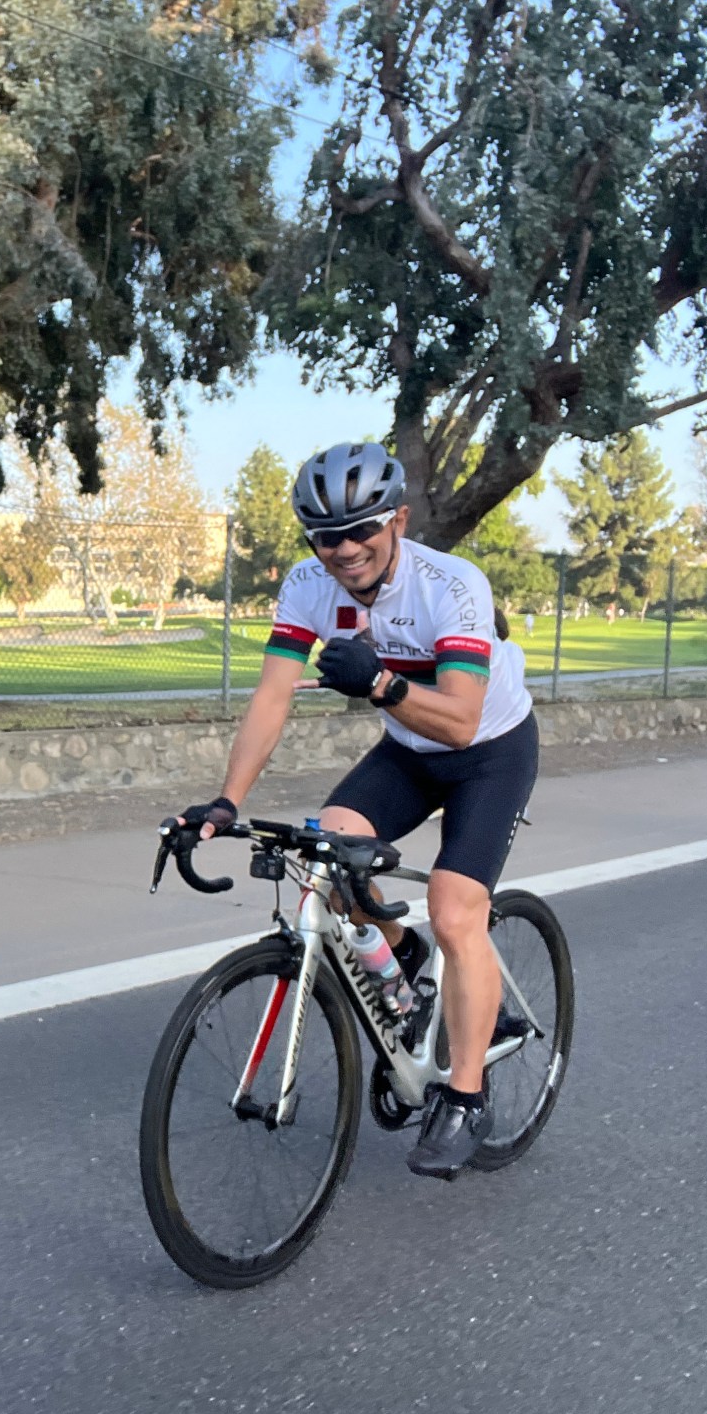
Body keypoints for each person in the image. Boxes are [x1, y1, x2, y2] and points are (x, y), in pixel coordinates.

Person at [170, 441, 537, 1178]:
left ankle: (465, 1096)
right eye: (325, 536)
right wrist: (228, 799)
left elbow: (461, 721)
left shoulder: (451, 585)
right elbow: (272, 695)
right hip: (406, 751)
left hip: (488, 752)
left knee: (455, 909)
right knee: (327, 855)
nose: (344, 549)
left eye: (361, 529)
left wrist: (379, 685)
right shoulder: (309, 585)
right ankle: (403, 957)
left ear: (398, 519)